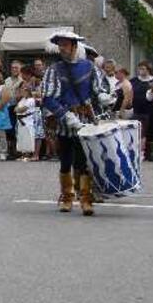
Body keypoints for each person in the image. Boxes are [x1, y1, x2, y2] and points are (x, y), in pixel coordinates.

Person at [42, 31, 101, 216]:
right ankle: (67, 197)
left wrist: (105, 97)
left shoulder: (89, 68)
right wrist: (64, 115)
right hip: (65, 123)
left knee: (84, 162)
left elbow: (97, 91)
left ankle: (86, 200)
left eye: (65, 45)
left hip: (85, 123)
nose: (62, 48)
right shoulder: (54, 69)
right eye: (60, 45)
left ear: (75, 46)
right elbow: (47, 97)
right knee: (65, 162)